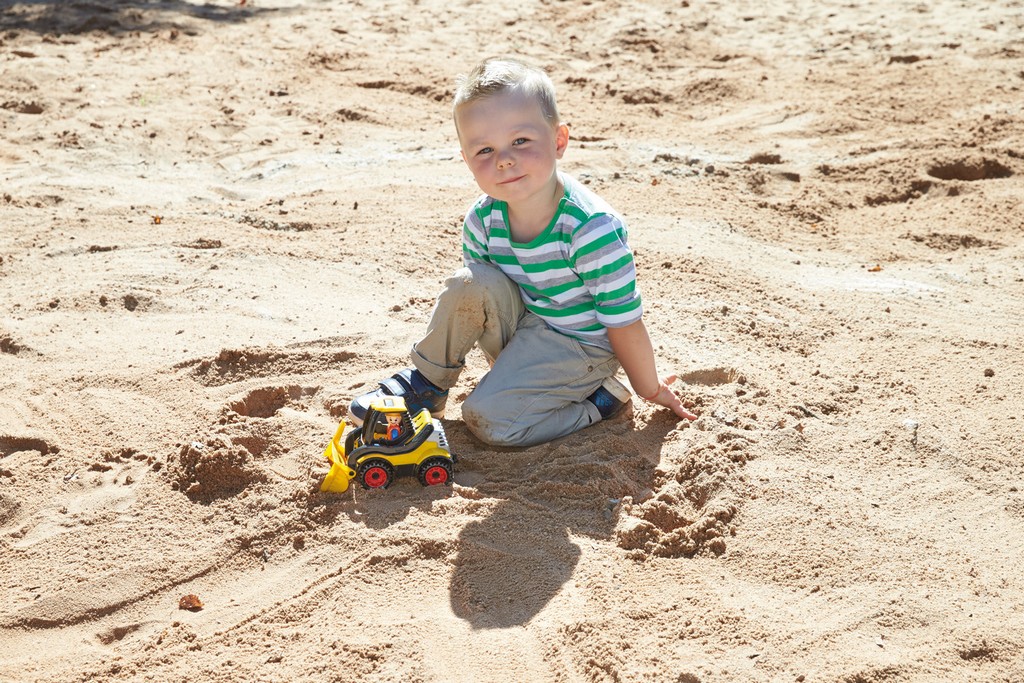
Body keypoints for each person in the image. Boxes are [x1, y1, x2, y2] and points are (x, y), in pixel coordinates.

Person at [349, 57, 698, 447]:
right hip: (528, 323)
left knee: (490, 421)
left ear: (559, 140)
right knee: (470, 283)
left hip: (582, 344)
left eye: (520, 141)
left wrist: (649, 389)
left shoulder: (590, 229)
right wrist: (509, 374)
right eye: (484, 149)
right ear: (466, 161)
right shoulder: (483, 220)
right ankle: (427, 386)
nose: (504, 159)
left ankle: (600, 402)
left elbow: (623, 322)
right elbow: (478, 309)